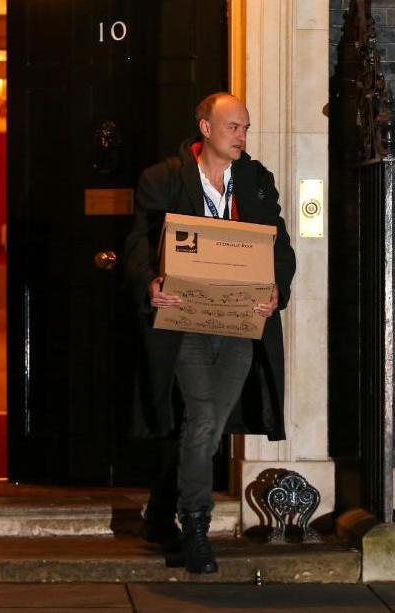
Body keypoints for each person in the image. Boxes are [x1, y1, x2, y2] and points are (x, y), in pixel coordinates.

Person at [124, 92, 296, 574]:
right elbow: (138, 242)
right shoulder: (162, 179)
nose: (241, 136)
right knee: (202, 417)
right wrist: (150, 282)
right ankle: (195, 527)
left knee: (210, 424)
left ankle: (160, 510)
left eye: (245, 127)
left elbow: (279, 245)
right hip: (185, 325)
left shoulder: (256, 181)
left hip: (240, 324)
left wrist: (277, 290)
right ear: (205, 128)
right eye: (233, 127)